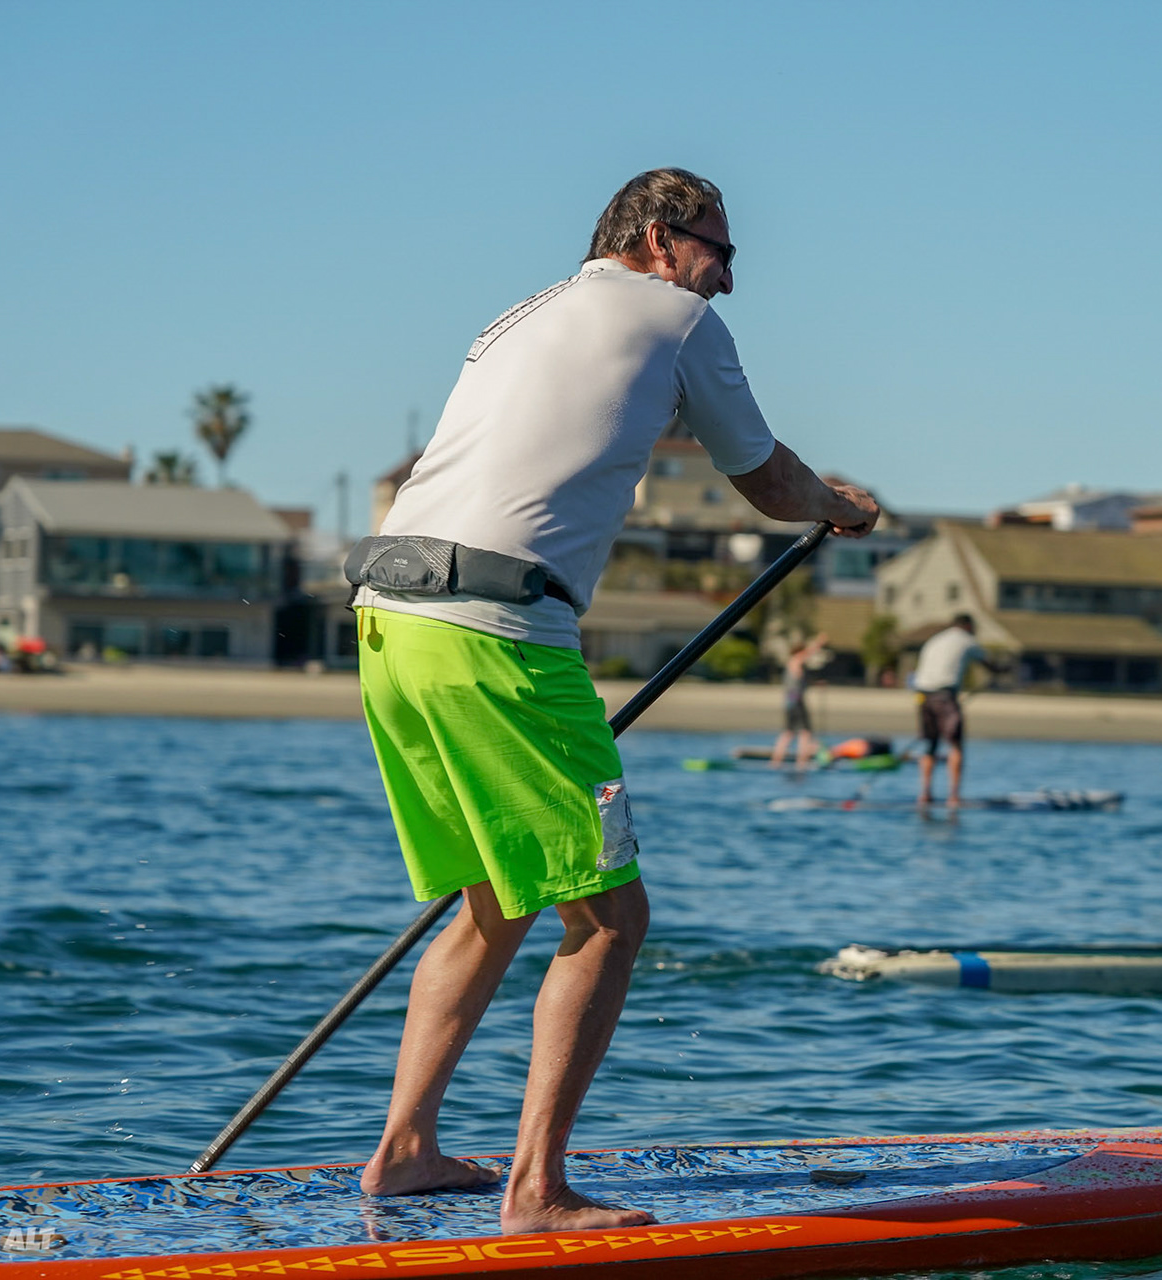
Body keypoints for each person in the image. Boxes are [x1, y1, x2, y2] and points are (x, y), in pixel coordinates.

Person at [347, 169, 879, 1225]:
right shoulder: (674, 316)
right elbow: (768, 480)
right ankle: (537, 1188)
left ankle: (404, 1150)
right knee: (609, 917)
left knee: (497, 897)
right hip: (499, 635)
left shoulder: (520, 313)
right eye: (714, 250)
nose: (725, 278)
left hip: (388, 621)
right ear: (652, 238)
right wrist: (837, 506)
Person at [912, 613, 985, 807]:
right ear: (968, 626)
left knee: (930, 745)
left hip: (922, 696)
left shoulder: (936, 639)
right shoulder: (967, 640)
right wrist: (1002, 670)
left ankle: (925, 794)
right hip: (945, 695)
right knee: (956, 744)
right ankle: (954, 796)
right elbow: (987, 663)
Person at [769, 631, 827, 770]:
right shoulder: (795, 660)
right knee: (804, 732)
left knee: (789, 732)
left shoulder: (793, 664)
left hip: (791, 701)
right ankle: (801, 763)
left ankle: (776, 762)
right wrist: (818, 643)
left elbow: (800, 682)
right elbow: (806, 654)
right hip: (796, 701)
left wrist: (815, 683)